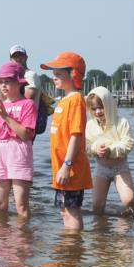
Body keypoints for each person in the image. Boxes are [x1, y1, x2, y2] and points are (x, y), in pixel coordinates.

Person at [40, 52, 92, 230]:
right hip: (60, 167)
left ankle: (73, 249)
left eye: (59, 74)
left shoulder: (76, 100)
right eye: (53, 74)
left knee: (71, 210)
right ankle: (70, 247)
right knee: (65, 209)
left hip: (71, 168)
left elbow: (76, 135)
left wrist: (67, 164)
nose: (54, 78)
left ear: (73, 74)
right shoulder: (63, 101)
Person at [0, 62, 36, 218]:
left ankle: (23, 240)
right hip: (1, 152)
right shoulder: (0, 105)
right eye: (1, 82)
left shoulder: (28, 104)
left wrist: (5, 116)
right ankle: (2, 240)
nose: (3, 85)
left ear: (18, 82)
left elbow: (26, 135)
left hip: (19, 152)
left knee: (21, 205)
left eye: (7, 81)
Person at [85, 87, 134, 215]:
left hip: (120, 167)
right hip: (101, 168)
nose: (98, 112)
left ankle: (128, 225)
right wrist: (95, 149)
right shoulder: (90, 125)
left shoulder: (121, 123)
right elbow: (86, 146)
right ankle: (101, 229)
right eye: (94, 109)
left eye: (101, 107)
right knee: (97, 206)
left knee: (128, 201)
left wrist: (111, 150)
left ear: (108, 104)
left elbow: (129, 143)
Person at [9, 45, 51, 136]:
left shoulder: (30, 75)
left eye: (21, 56)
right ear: (10, 59)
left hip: (26, 124)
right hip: (15, 123)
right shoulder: (13, 77)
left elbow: (28, 97)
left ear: (26, 57)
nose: (18, 59)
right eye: (15, 57)